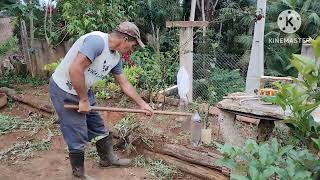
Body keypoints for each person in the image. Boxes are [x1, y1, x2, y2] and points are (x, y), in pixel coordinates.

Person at [49, 22, 153, 179]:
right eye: (133, 45)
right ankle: (79, 173)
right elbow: (75, 69)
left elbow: (124, 83)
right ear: (125, 39)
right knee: (76, 131)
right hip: (65, 90)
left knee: (98, 127)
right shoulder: (97, 42)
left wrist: (142, 104)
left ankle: (107, 159)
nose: (132, 49)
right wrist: (83, 100)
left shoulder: (115, 57)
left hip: (84, 90)